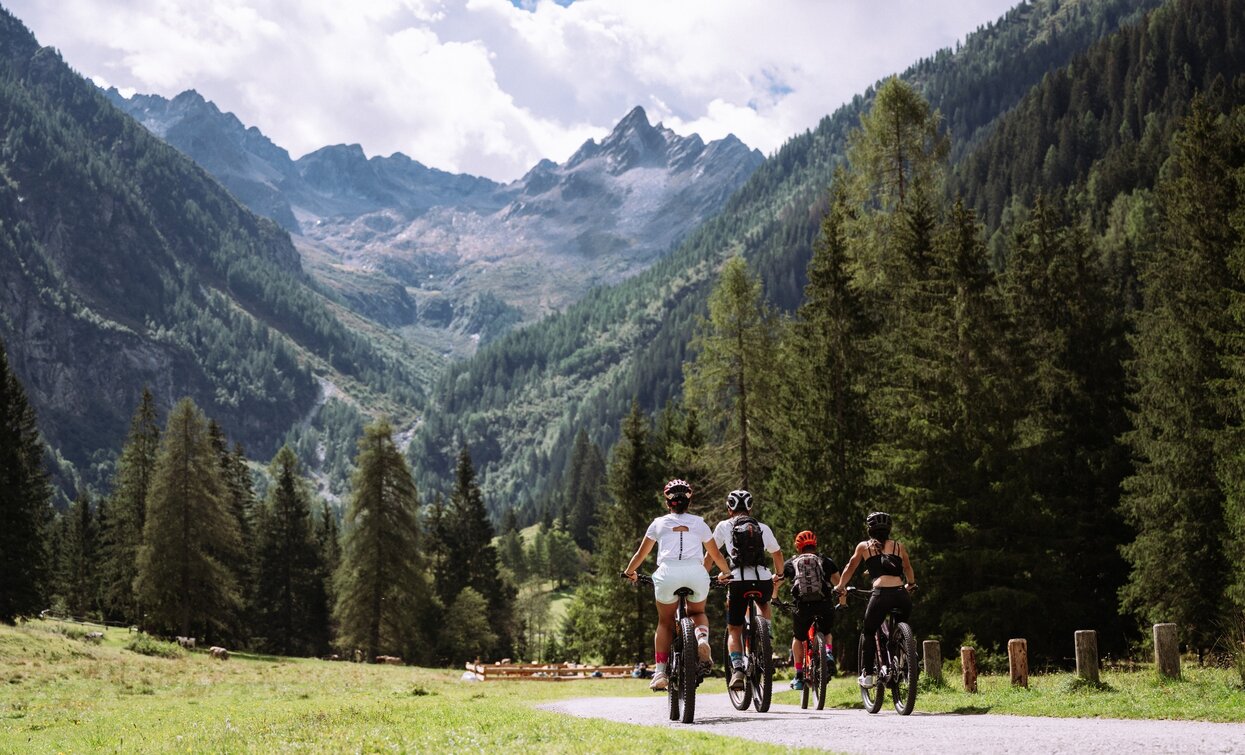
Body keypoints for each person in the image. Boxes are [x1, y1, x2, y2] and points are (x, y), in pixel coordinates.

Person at [624, 479, 732, 691]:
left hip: (667, 574)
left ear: (668, 503)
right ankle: (701, 638)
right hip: (696, 573)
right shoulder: (699, 523)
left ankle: (661, 671)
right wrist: (726, 572)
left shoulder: (658, 523)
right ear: (688, 503)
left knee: (665, 622)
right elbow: (716, 554)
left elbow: (641, 554)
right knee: (698, 612)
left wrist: (629, 572)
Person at [703, 489, 783, 691]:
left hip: (737, 580)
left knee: (735, 628)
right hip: (763, 579)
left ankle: (737, 668)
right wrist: (779, 575)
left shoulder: (723, 526)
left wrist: (704, 576)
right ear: (750, 508)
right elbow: (777, 553)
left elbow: (711, 555)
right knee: (764, 604)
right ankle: (767, 642)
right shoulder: (762, 527)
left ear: (729, 508)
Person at [834, 511, 916, 687]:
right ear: (889, 529)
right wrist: (911, 584)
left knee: (869, 632)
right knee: (900, 633)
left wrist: (840, 586)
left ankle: (868, 675)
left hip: (881, 595)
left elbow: (850, 567)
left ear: (869, 529)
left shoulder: (864, 546)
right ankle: (904, 664)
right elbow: (908, 568)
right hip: (902, 595)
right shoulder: (898, 546)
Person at [782, 530, 843, 690]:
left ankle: (799, 675)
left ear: (798, 547)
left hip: (802, 606)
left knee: (798, 638)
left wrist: (774, 598)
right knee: (826, 631)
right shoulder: (825, 561)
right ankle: (828, 653)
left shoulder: (792, 562)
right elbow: (839, 584)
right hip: (824, 603)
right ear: (815, 545)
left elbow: (777, 581)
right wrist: (842, 601)